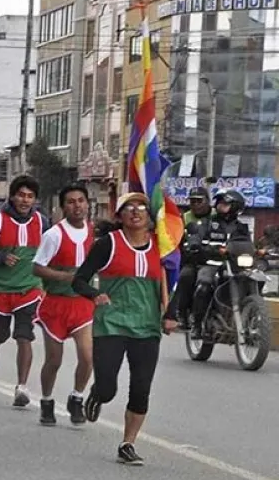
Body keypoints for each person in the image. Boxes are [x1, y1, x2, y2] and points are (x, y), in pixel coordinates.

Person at [74, 193, 177, 465]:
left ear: (149, 215)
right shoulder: (108, 244)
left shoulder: (161, 246)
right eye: (129, 208)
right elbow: (79, 280)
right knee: (108, 387)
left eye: (142, 207)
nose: (136, 212)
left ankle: (127, 443)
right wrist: (95, 295)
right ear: (119, 215)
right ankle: (97, 394)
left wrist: (171, 313)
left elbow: (178, 280)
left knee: (141, 388)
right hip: (112, 323)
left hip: (147, 327)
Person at [0, 175, 50, 407]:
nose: (25, 200)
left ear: (35, 200)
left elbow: (53, 252)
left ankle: (21, 387)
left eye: (30, 196)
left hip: (29, 290)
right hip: (0, 290)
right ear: (12, 196)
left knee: (24, 336)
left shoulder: (43, 223)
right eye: (21, 195)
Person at [32, 184, 94, 426]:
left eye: (81, 201)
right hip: (56, 306)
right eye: (71, 202)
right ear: (62, 207)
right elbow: (37, 267)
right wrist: (64, 277)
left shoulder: (92, 231)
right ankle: (47, 401)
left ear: (87, 204)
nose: (77, 206)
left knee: (88, 357)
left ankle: (77, 398)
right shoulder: (54, 235)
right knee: (54, 360)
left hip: (82, 305)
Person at [171, 189, 250, 338]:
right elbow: (195, 237)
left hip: (233, 265)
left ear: (236, 207)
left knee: (252, 278)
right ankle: (197, 324)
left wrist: (259, 251)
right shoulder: (207, 223)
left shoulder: (241, 228)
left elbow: (247, 244)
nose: (220, 206)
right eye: (219, 203)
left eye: (224, 203)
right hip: (210, 263)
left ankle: (251, 312)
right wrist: (195, 245)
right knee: (204, 284)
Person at [174, 187, 213, 328]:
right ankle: (181, 313)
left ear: (208, 201)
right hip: (192, 260)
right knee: (185, 276)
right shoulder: (184, 218)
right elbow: (176, 239)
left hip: (214, 259)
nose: (195, 204)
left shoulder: (217, 215)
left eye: (199, 201)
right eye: (192, 201)